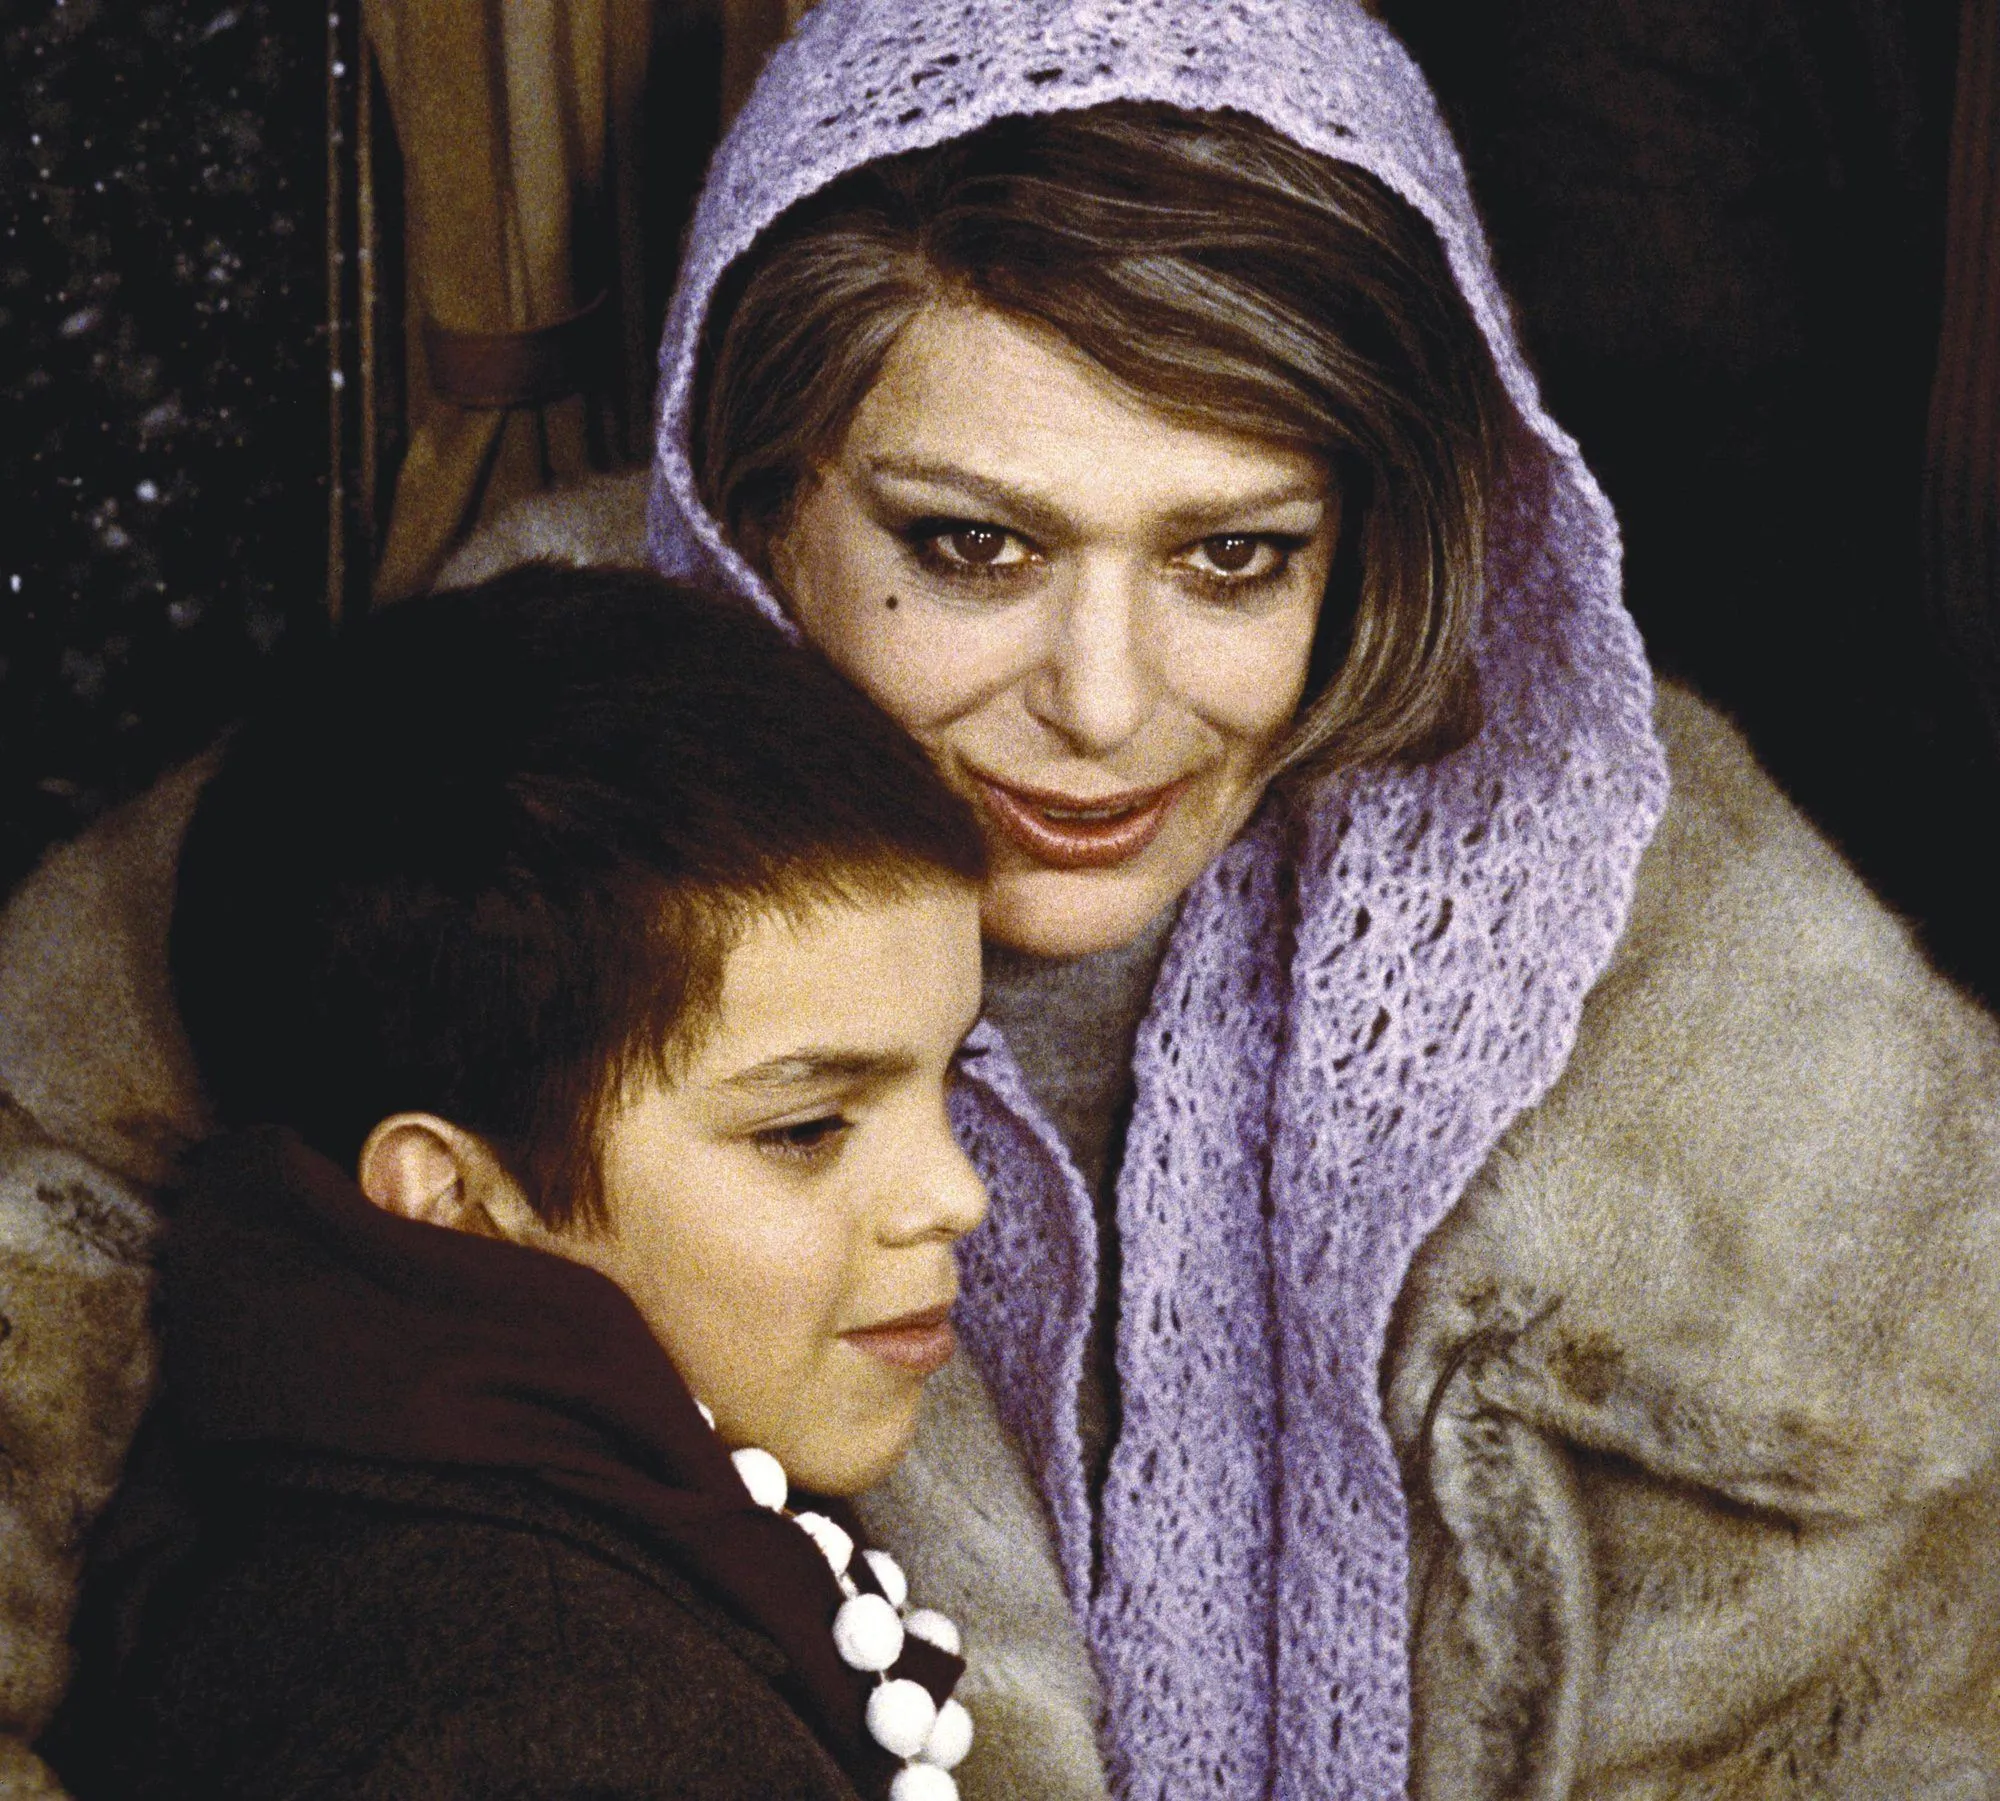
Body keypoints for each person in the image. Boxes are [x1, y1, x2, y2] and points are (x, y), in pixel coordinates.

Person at [4, 2, 2000, 1797]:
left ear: (1371, 554)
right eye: (971, 546)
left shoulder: (1716, 991)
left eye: (1232, 558)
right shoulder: (449, 823)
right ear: (760, 488)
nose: (1105, 706)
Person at [38, 566, 989, 1801]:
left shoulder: (383, 1523)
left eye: (947, 1083)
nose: (953, 1194)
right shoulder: (556, 1727)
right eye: (806, 1127)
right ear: (450, 1199)